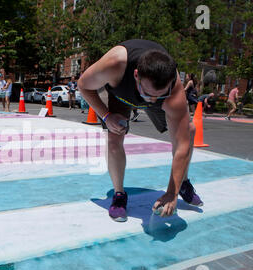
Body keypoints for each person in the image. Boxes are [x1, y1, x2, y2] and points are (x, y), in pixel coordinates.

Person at [78, 39, 203, 221]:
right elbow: (83, 86)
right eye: (148, 94)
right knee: (114, 137)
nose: (151, 101)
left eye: (159, 94)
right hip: (122, 94)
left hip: (156, 95)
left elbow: (182, 145)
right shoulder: (114, 64)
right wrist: (106, 116)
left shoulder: (172, 88)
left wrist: (171, 193)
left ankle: (182, 182)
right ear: (136, 74)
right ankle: (119, 194)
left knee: (189, 131)